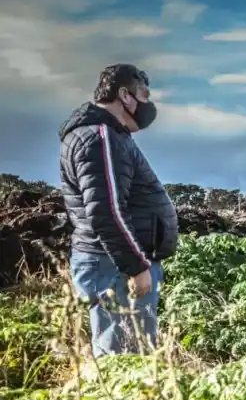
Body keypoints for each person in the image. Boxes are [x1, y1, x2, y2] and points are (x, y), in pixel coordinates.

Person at [59, 64, 178, 358]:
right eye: (143, 95)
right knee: (124, 360)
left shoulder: (107, 135)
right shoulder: (101, 137)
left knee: (129, 355)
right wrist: (136, 266)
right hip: (114, 267)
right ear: (124, 95)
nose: (148, 104)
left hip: (112, 264)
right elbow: (106, 212)